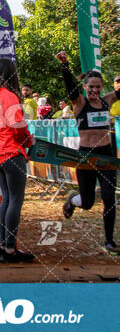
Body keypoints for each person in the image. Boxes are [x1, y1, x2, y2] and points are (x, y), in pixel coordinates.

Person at [56, 51, 120, 254]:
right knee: (88, 202)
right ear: (85, 87)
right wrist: (65, 66)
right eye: (90, 87)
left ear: (102, 88)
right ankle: (73, 200)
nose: (94, 90)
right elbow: (70, 88)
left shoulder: (106, 101)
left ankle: (109, 241)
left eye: (97, 87)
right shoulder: (79, 103)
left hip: (106, 155)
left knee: (109, 197)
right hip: (85, 157)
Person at [0, 58, 35, 263]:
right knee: (15, 199)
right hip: (11, 153)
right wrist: (29, 141)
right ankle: (10, 249)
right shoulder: (10, 97)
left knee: (6, 199)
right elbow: (18, 126)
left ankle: (5, 248)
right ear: (13, 74)